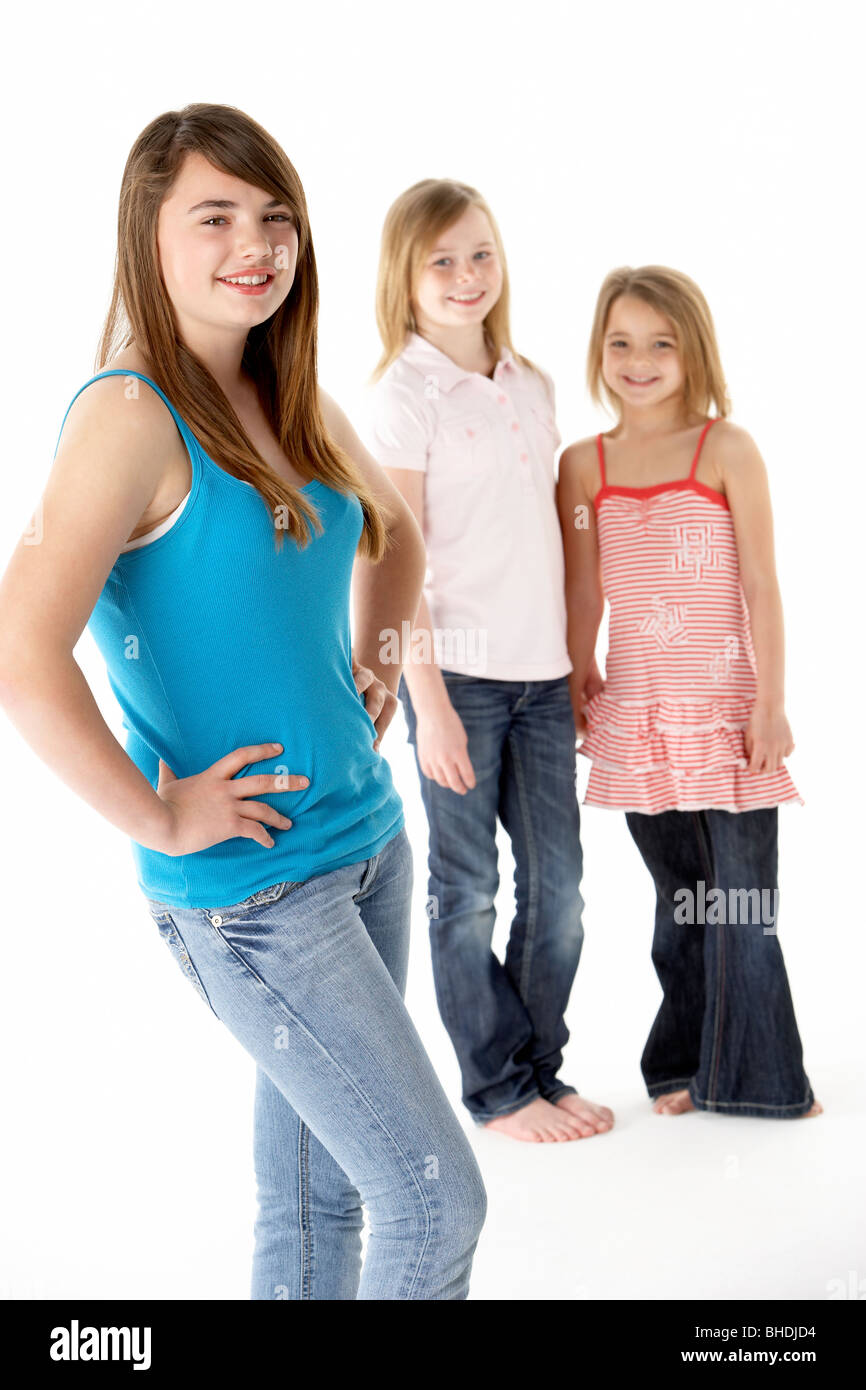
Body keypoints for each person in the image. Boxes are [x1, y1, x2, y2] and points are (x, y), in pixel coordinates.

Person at [0, 103, 487, 1299]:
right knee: (435, 1201)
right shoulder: (127, 415)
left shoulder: (285, 390)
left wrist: (371, 673)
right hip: (257, 897)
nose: (253, 243)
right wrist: (160, 819)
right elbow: (21, 650)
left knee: (324, 1201)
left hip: (369, 846)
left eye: (273, 216)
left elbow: (398, 538)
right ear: (147, 238)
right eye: (212, 216)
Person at [363, 178, 614, 1144]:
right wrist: (429, 705)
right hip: (457, 680)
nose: (466, 277)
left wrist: (577, 657)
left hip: (544, 678)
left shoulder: (532, 384)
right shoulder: (403, 395)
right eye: (442, 260)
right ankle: (498, 1090)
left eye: (480, 255)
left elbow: (553, 534)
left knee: (562, 898)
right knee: (466, 892)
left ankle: (540, 1069)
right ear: (407, 276)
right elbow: (396, 554)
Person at [557, 264, 820, 1119]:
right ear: (601, 350)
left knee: (742, 904)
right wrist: (574, 671)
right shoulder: (583, 468)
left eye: (660, 343)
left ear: (692, 350)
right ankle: (678, 1066)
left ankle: (765, 1083)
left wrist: (770, 703)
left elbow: (764, 587)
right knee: (682, 905)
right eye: (622, 342)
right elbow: (584, 590)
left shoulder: (728, 450)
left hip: (725, 716)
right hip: (638, 717)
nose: (639, 360)